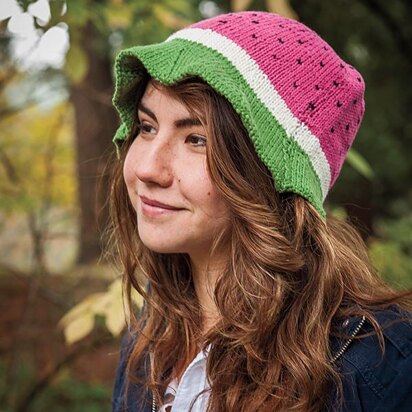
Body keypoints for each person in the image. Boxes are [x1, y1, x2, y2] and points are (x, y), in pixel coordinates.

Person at [109, 11, 412, 412]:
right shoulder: (151, 333)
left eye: (196, 139)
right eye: (147, 128)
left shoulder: (378, 364)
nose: (147, 168)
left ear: (269, 176)